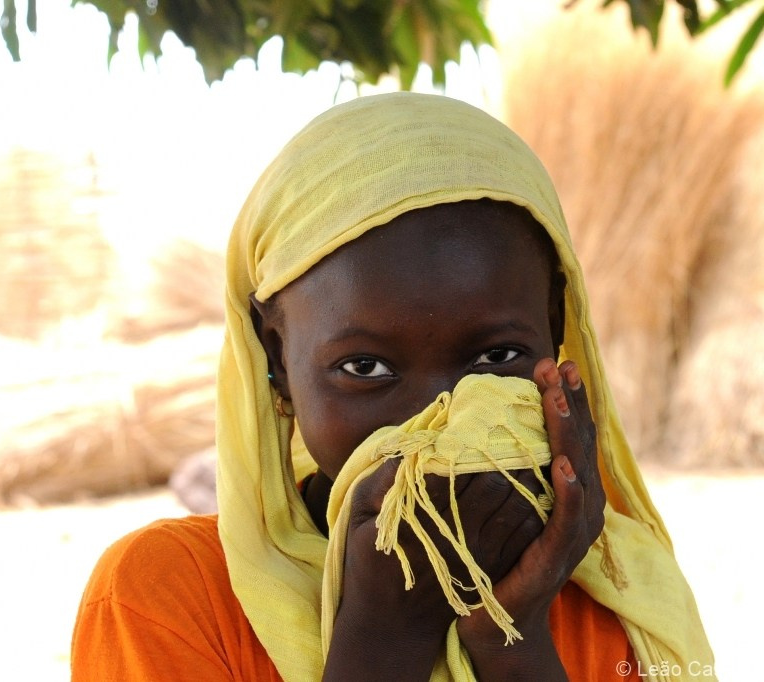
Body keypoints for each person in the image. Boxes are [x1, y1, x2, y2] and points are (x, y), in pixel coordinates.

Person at [71, 93, 715, 680]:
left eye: (496, 355)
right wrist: (385, 638)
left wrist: (510, 639)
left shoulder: (621, 595)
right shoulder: (167, 598)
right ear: (279, 363)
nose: (433, 420)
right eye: (365, 369)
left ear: (556, 336)